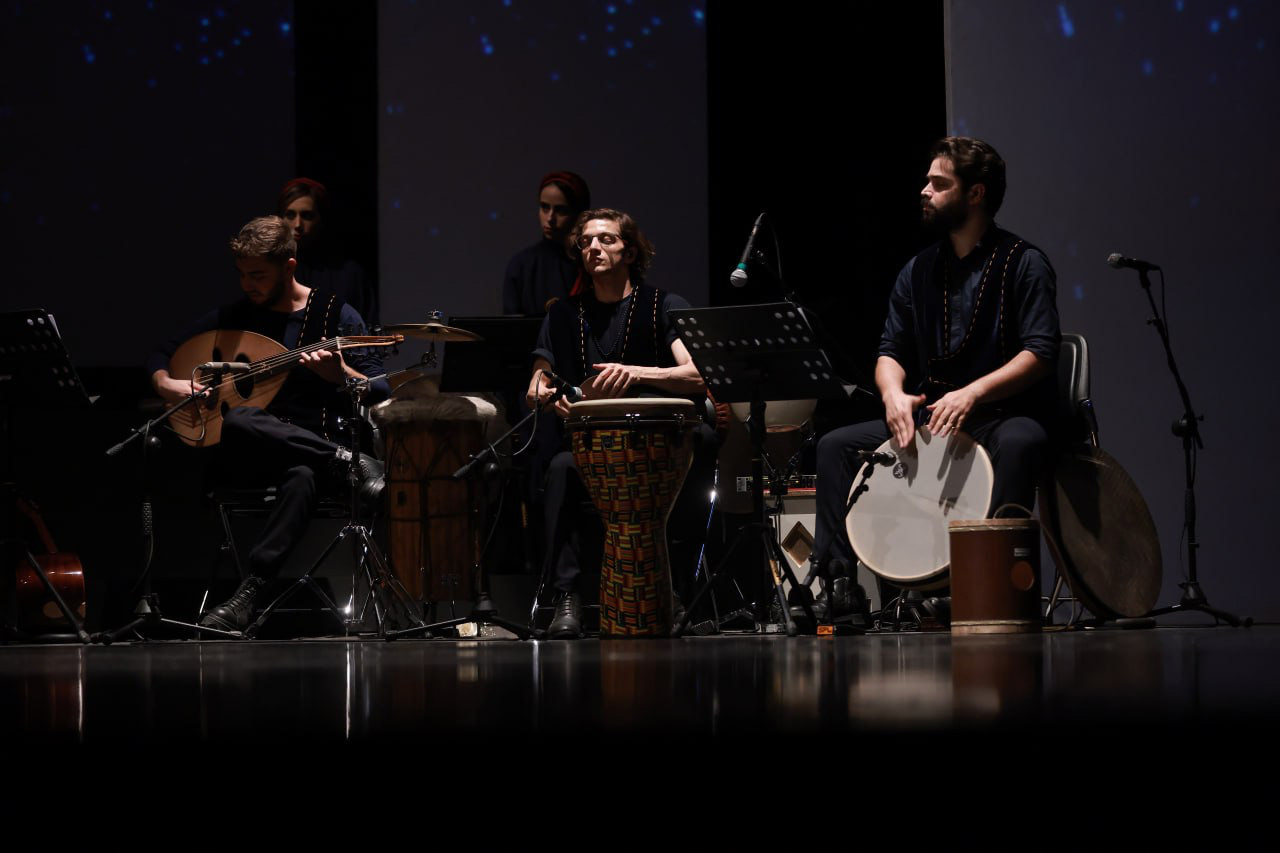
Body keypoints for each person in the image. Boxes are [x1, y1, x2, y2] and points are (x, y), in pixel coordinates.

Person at [809, 136, 1060, 621]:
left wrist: (973, 392)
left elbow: (1041, 352)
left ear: (975, 194)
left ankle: (988, 582)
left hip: (999, 414)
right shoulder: (918, 271)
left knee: (1025, 440)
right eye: (926, 181)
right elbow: (889, 352)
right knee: (835, 446)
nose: (923, 190)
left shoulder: (1024, 263)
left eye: (938, 183)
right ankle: (841, 590)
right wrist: (893, 396)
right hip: (931, 415)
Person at [146, 216, 389, 633]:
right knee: (241, 418)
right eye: (241, 275)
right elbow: (163, 352)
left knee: (301, 475)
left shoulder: (334, 314)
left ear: (289, 267)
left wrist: (340, 375)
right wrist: (170, 387)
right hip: (258, 456)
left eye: (257, 275)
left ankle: (248, 595)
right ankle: (346, 461)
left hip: (312, 449)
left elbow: (379, 386)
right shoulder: (236, 317)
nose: (247, 285)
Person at [526, 208, 715, 638]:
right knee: (559, 468)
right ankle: (568, 596)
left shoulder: (664, 306)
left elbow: (699, 376)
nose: (594, 247)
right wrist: (547, 396)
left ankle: (679, 589)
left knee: (701, 442)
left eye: (606, 240)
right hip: (595, 449)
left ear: (629, 251)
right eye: (587, 241)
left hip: (661, 446)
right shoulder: (562, 315)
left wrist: (638, 372)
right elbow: (537, 382)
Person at [278, 177, 378, 324]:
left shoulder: (350, 274)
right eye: (290, 215)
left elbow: (367, 330)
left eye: (307, 216)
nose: (298, 224)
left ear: (321, 219)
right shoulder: (275, 270)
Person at [503, 171, 592, 316]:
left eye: (561, 210)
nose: (550, 218)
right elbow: (512, 331)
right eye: (544, 207)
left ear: (579, 214)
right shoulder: (521, 266)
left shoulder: (593, 262)